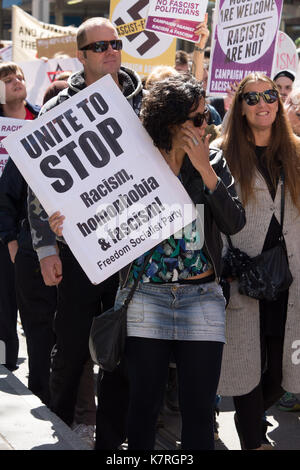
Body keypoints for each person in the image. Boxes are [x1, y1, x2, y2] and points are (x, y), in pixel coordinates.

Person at [58, 73, 243, 451]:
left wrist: (205, 169)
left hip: (202, 298)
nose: (205, 123)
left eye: (206, 115)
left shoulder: (214, 161)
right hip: (147, 297)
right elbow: (100, 222)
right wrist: (65, 229)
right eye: (197, 118)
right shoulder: (134, 162)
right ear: (170, 122)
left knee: (199, 410)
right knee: (143, 406)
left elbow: (235, 222)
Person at [27, 17, 143, 449]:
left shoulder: (145, 103)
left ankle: (113, 439)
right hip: (77, 251)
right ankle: (61, 424)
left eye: (116, 44)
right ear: (81, 56)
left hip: (134, 248)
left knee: (126, 348)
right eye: (100, 47)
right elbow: (38, 187)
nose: (111, 51)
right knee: (72, 346)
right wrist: (44, 248)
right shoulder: (58, 110)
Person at [217, 72, 300, 450]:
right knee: (244, 359)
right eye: (251, 98)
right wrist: (223, 263)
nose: (262, 103)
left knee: (282, 368)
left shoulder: (295, 151)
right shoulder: (222, 154)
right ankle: (254, 439)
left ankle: (255, 423)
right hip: (245, 275)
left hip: (290, 276)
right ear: (240, 108)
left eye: (269, 95)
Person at [0, 61, 57, 404]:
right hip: (11, 229)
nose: (16, 82)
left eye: (19, 76)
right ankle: (6, 368)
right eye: (7, 79)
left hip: (36, 231)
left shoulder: (42, 119)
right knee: (5, 307)